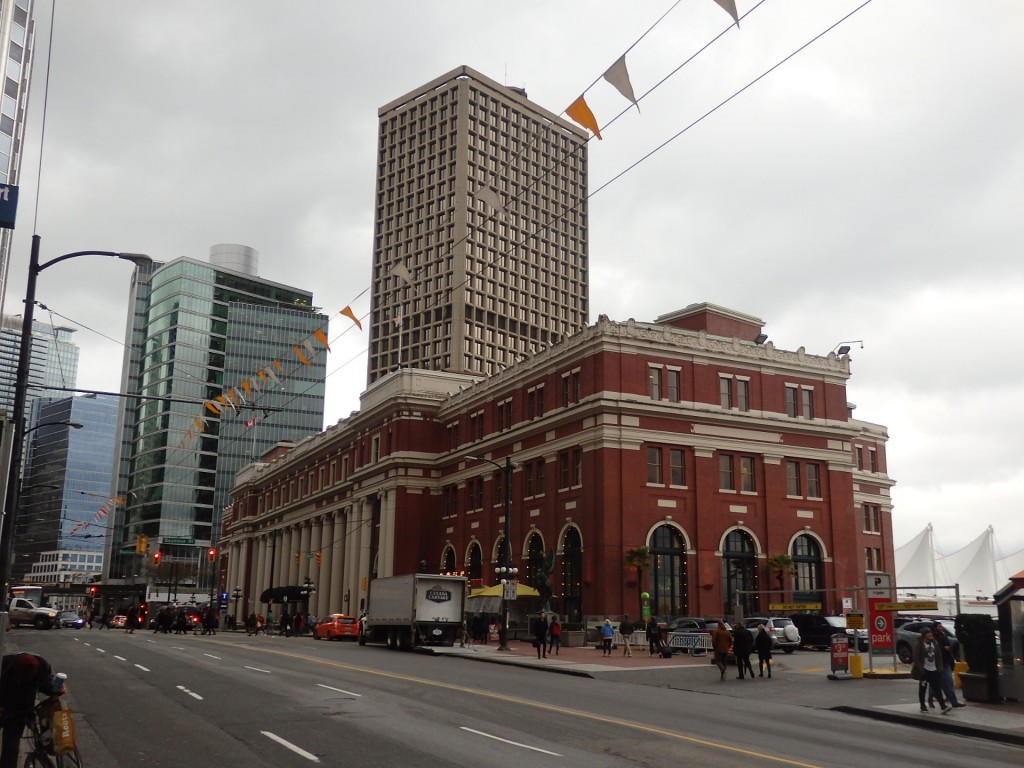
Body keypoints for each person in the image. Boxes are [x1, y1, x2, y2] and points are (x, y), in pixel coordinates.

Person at [0, 653, 59, 768]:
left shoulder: (42, 667)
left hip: (20, 712)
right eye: (18, 678)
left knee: (11, 749)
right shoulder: (5, 664)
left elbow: (45, 687)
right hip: (3, 705)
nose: (20, 681)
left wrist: (57, 690)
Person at [911, 627, 951, 714]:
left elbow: (939, 656)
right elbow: (916, 658)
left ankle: (943, 706)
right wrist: (921, 669)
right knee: (923, 688)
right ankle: (923, 706)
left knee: (937, 688)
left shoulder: (934, 643)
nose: (931, 634)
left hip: (934, 670)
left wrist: (939, 667)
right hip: (924, 671)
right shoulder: (919, 644)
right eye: (928, 633)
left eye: (931, 633)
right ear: (924, 635)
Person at [929, 623, 965, 708]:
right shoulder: (933, 637)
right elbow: (934, 649)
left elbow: (949, 647)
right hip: (937, 664)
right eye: (939, 626)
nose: (941, 628)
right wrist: (943, 648)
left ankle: (954, 701)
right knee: (936, 683)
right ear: (935, 628)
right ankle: (930, 698)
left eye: (941, 626)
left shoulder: (944, 635)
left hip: (946, 662)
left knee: (949, 682)